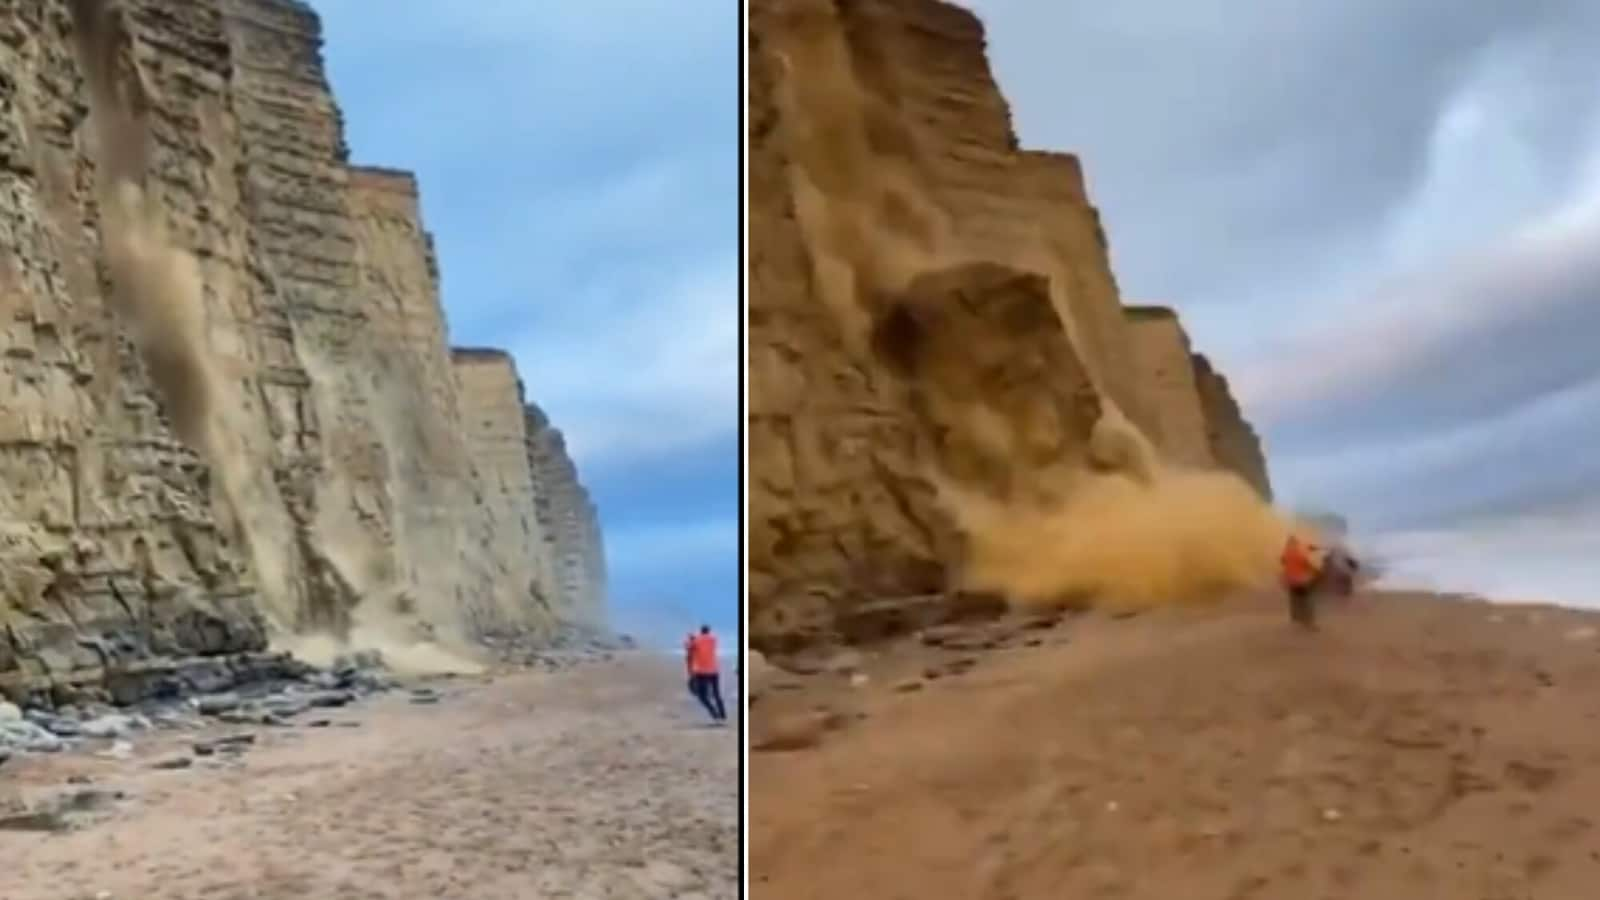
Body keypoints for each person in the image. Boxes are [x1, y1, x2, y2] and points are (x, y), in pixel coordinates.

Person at [1280, 534, 1322, 630]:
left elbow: (1283, 561)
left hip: (1290, 581)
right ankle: (1310, 623)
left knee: (1295, 599)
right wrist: (1317, 571)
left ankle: (1297, 618)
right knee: (1308, 600)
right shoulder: (1299, 553)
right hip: (1301, 581)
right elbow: (1307, 564)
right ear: (1295, 544)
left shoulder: (1286, 553)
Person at [688, 625, 726, 723]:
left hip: (702, 672)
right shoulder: (713, 640)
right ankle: (723, 714)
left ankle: (714, 713)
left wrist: (692, 638)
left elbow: (689, 648)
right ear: (709, 631)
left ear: (701, 631)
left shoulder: (696, 640)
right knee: (716, 693)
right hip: (714, 671)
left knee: (702, 696)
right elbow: (706, 642)